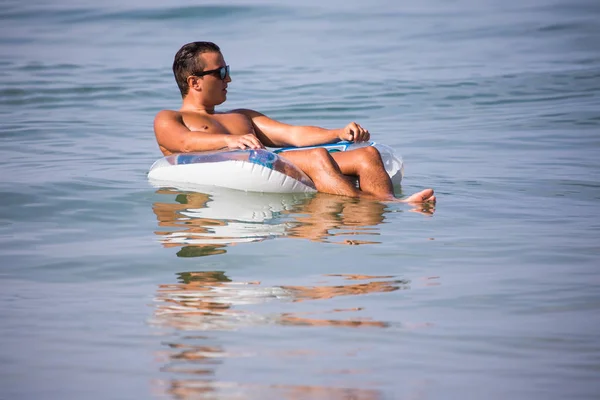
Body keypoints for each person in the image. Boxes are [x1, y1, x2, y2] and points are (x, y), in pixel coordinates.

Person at [154, 41, 435, 204]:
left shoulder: (242, 116)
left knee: (367, 155)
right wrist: (228, 140)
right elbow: (184, 142)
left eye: (228, 70)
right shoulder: (170, 118)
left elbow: (293, 134)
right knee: (317, 157)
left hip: (276, 162)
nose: (229, 79)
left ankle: (384, 207)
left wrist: (338, 132)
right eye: (221, 72)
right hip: (236, 167)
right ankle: (381, 207)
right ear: (194, 82)